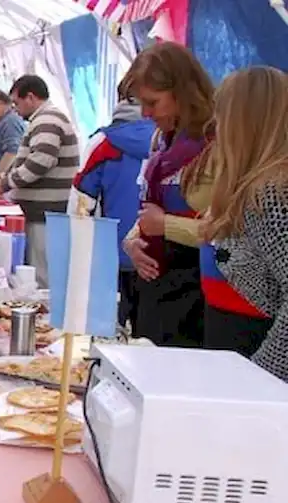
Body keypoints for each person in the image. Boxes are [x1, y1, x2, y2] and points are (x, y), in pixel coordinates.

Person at [115, 42, 216, 347]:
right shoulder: (162, 141)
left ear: (183, 93)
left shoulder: (217, 147)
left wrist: (166, 225)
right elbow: (150, 210)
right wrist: (132, 241)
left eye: (153, 102)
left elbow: (227, 232)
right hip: (155, 289)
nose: (145, 113)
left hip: (196, 297)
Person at [203, 65, 288, 379]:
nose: (216, 125)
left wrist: (261, 379)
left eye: (222, 114)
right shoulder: (252, 187)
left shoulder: (271, 193)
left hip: (255, 370)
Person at [0, 75, 81, 288]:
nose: (15, 109)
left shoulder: (47, 119)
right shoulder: (45, 118)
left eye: (16, 103)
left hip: (45, 212)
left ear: (30, 97)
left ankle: (42, 319)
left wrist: (5, 183)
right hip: (42, 210)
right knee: (37, 271)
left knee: (40, 275)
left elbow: (41, 160)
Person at [74, 96, 155, 332]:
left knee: (107, 336)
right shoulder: (171, 140)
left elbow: (80, 203)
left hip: (110, 257)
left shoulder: (104, 142)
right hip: (159, 259)